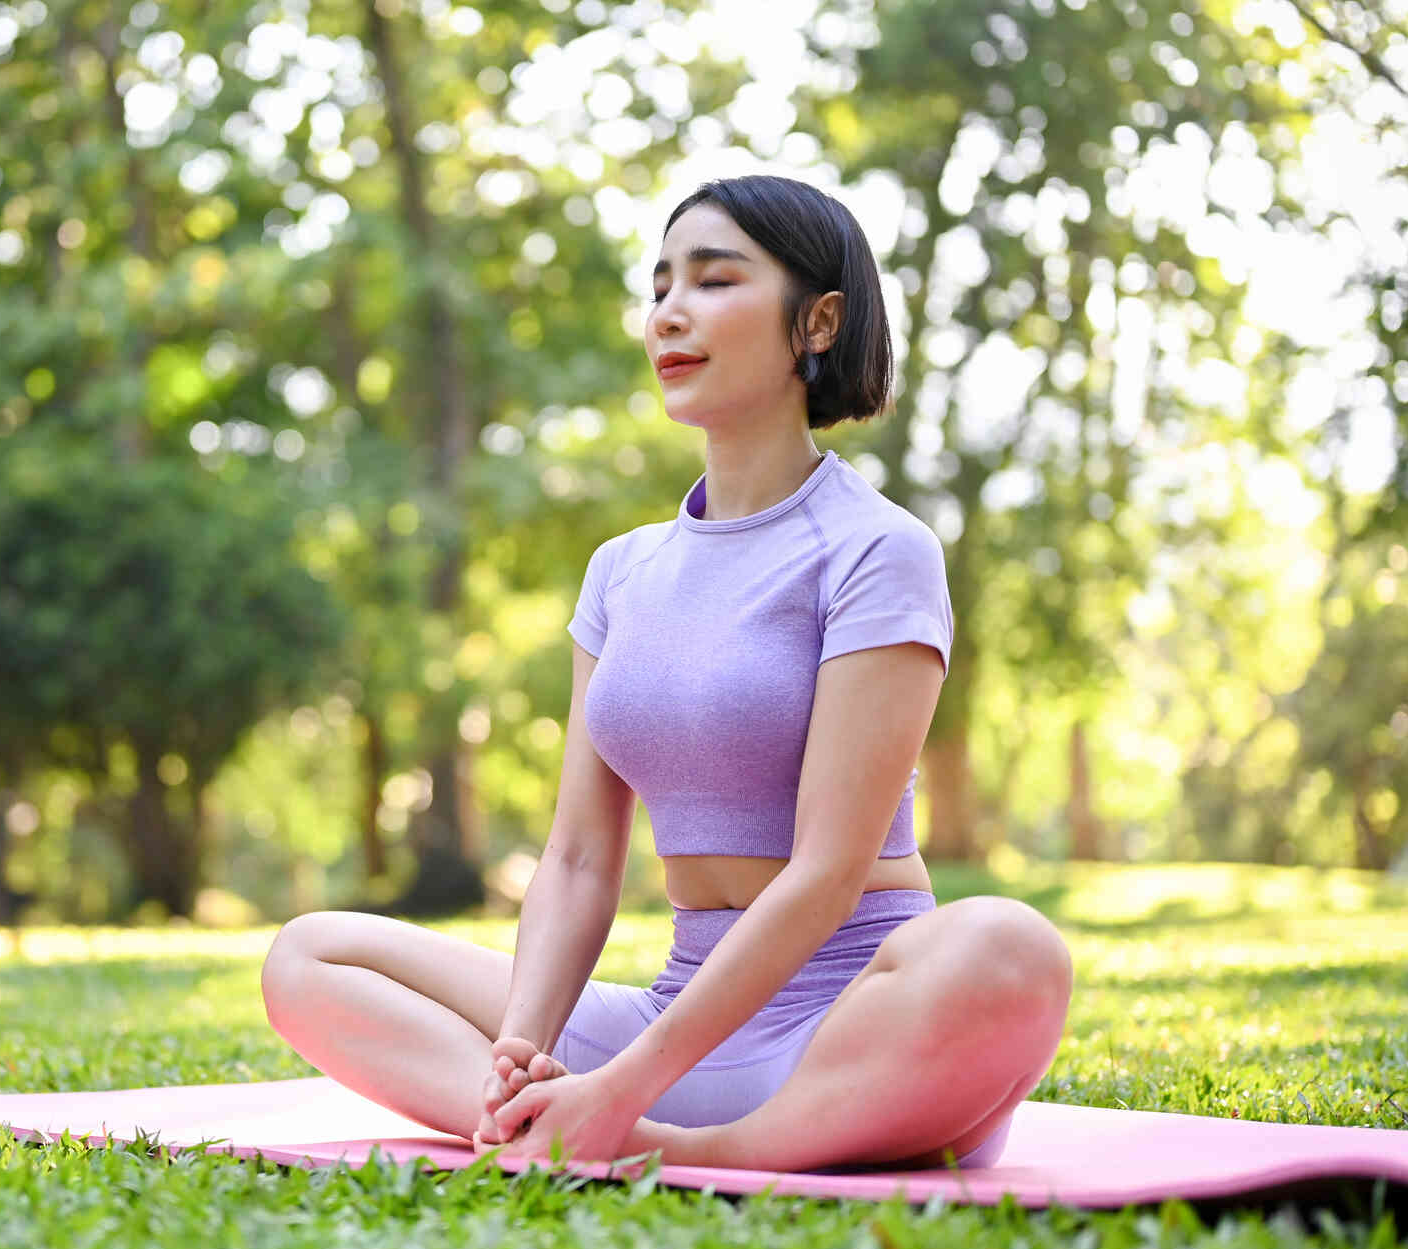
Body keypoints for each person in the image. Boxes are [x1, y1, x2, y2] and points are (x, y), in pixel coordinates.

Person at [260, 174, 1073, 1172]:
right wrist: (524, 1045)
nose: (668, 313)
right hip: (668, 1019)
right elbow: (572, 860)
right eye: (657, 288)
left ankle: (688, 1145)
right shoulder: (621, 572)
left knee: (1008, 950)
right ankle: (540, 1120)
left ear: (815, 322)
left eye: (713, 280)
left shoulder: (874, 551)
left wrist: (628, 1083)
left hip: (845, 1032)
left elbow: (826, 871)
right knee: (309, 955)